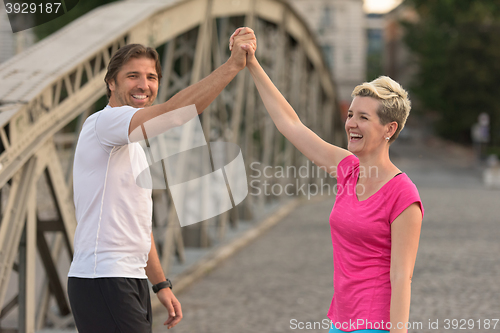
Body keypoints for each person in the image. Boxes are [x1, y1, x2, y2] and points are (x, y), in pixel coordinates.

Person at [232, 29, 424, 333]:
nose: (351, 124)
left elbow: (402, 276)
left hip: (375, 324)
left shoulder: (403, 194)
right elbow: (290, 124)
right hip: (339, 321)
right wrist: (253, 64)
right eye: (350, 115)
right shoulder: (347, 169)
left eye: (363, 117)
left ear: (389, 128)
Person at [67, 28, 257, 333]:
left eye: (151, 77)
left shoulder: (133, 147)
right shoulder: (104, 123)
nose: (143, 85)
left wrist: (160, 284)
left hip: (128, 279)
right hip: (102, 277)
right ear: (110, 82)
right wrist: (233, 65)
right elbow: (173, 114)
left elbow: (138, 226)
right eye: (133, 76)